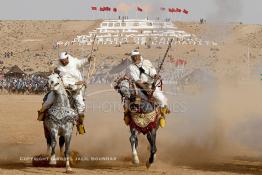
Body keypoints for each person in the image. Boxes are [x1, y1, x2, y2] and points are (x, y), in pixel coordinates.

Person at [38, 52, 90, 135]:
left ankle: (80, 125)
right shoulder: (59, 65)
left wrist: (88, 59)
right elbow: (52, 68)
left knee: (81, 105)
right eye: (62, 61)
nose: (63, 62)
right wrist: (50, 65)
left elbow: (81, 62)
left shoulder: (74, 62)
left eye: (64, 60)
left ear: (67, 58)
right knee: (49, 100)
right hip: (63, 87)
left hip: (76, 89)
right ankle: (42, 113)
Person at [126, 50, 170, 128]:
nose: (136, 58)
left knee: (162, 99)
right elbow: (136, 80)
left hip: (151, 85)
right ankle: (128, 118)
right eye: (133, 57)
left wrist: (155, 75)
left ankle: (161, 116)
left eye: (137, 56)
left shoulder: (147, 62)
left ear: (140, 56)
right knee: (128, 102)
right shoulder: (131, 67)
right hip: (138, 87)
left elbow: (153, 72)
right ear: (131, 58)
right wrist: (145, 88)